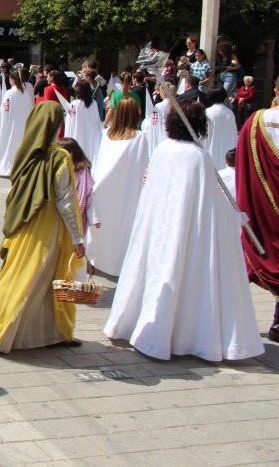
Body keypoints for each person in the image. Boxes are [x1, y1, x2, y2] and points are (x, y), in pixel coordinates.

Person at [105, 101, 264, 361]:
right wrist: (235, 216)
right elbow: (211, 205)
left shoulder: (163, 149)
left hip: (160, 230)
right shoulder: (197, 156)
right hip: (186, 232)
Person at [0, 102, 86, 353]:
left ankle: (49, 333)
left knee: (25, 279)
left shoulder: (25, 155)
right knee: (35, 281)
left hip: (23, 229)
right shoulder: (59, 157)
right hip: (48, 232)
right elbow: (66, 201)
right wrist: (78, 238)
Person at [236, 78, 279, 343]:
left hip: (261, 211)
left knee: (249, 258)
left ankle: (235, 322)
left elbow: (242, 167)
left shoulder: (255, 123)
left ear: (275, 90)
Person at [86, 99, 149, 277]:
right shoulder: (141, 137)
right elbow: (143, 166)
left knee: (103, 228)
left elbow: (99, 160)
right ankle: (119, 264)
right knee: (122, 228)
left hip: (103, 188)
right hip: (127, 191)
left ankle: (98, 259)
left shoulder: (106, 134)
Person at [56, 138, 100, 258]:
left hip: (75, 216)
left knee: (72, 249)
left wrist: (93, 217)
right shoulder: (61, 169)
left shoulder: (82, 172)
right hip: (63, 214)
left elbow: (87, 196)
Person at [0, 69, 34, 177]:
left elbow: (4, 111)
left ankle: (7, 166)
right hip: (22, 125)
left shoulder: (10, 93)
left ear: (12, 80)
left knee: (8, 145)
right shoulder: (25, 93)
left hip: (10, 124)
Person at [64, 81, 103, 164]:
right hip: (90, 136)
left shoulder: (74, 104)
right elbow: (97, 122)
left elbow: (70, 123)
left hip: (77, 134)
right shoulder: (94, 104)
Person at [204, 88, 238, 171]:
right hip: (227, 154)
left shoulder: (208, 112)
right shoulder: (230, 113)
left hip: (211, 151)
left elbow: (204, 135)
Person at [141, 83, 172, 152]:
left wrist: (145, 122)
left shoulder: (158, 106)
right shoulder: (176, 105)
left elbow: (154, 123)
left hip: (162, 135)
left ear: (163, 93)